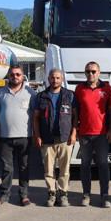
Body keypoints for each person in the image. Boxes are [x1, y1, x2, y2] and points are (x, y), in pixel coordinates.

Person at [0, 65, 36, 207]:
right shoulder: (0, 93)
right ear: (8, 76)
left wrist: (36, 134)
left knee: (24, 167)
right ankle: (4, 195)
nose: (15, 77)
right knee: (7, 168)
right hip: (5, 137)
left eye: (18, 74)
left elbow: (36, 116)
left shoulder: (30, 93)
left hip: (25, 136)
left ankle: (24, 195)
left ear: (22, 76)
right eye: (12, 74)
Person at [73, 61, 111, 208]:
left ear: (99, 72)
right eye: (88, 71)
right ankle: (86, 195)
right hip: (84, 134)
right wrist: (75, 130)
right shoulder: (79, 89)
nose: (90, 74)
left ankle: (105, 196)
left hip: (102, 134)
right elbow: (75, 112)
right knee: (85, 164)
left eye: (93, 71)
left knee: (103, 164)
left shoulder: (107, 89)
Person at [33, 67, 77, 207]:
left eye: (58, 77)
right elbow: (35, 118)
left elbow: (75, 116)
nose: (55, 80)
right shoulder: (41, 96)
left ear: (61, 79)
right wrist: (38, 135)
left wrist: (74, 133)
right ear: (48, 79)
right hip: (47, 139)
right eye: (52, 77)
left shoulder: (69, 95)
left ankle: (63, 194)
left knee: (64, 169)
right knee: (48, 169)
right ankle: (51, 193)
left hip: (65, 138)